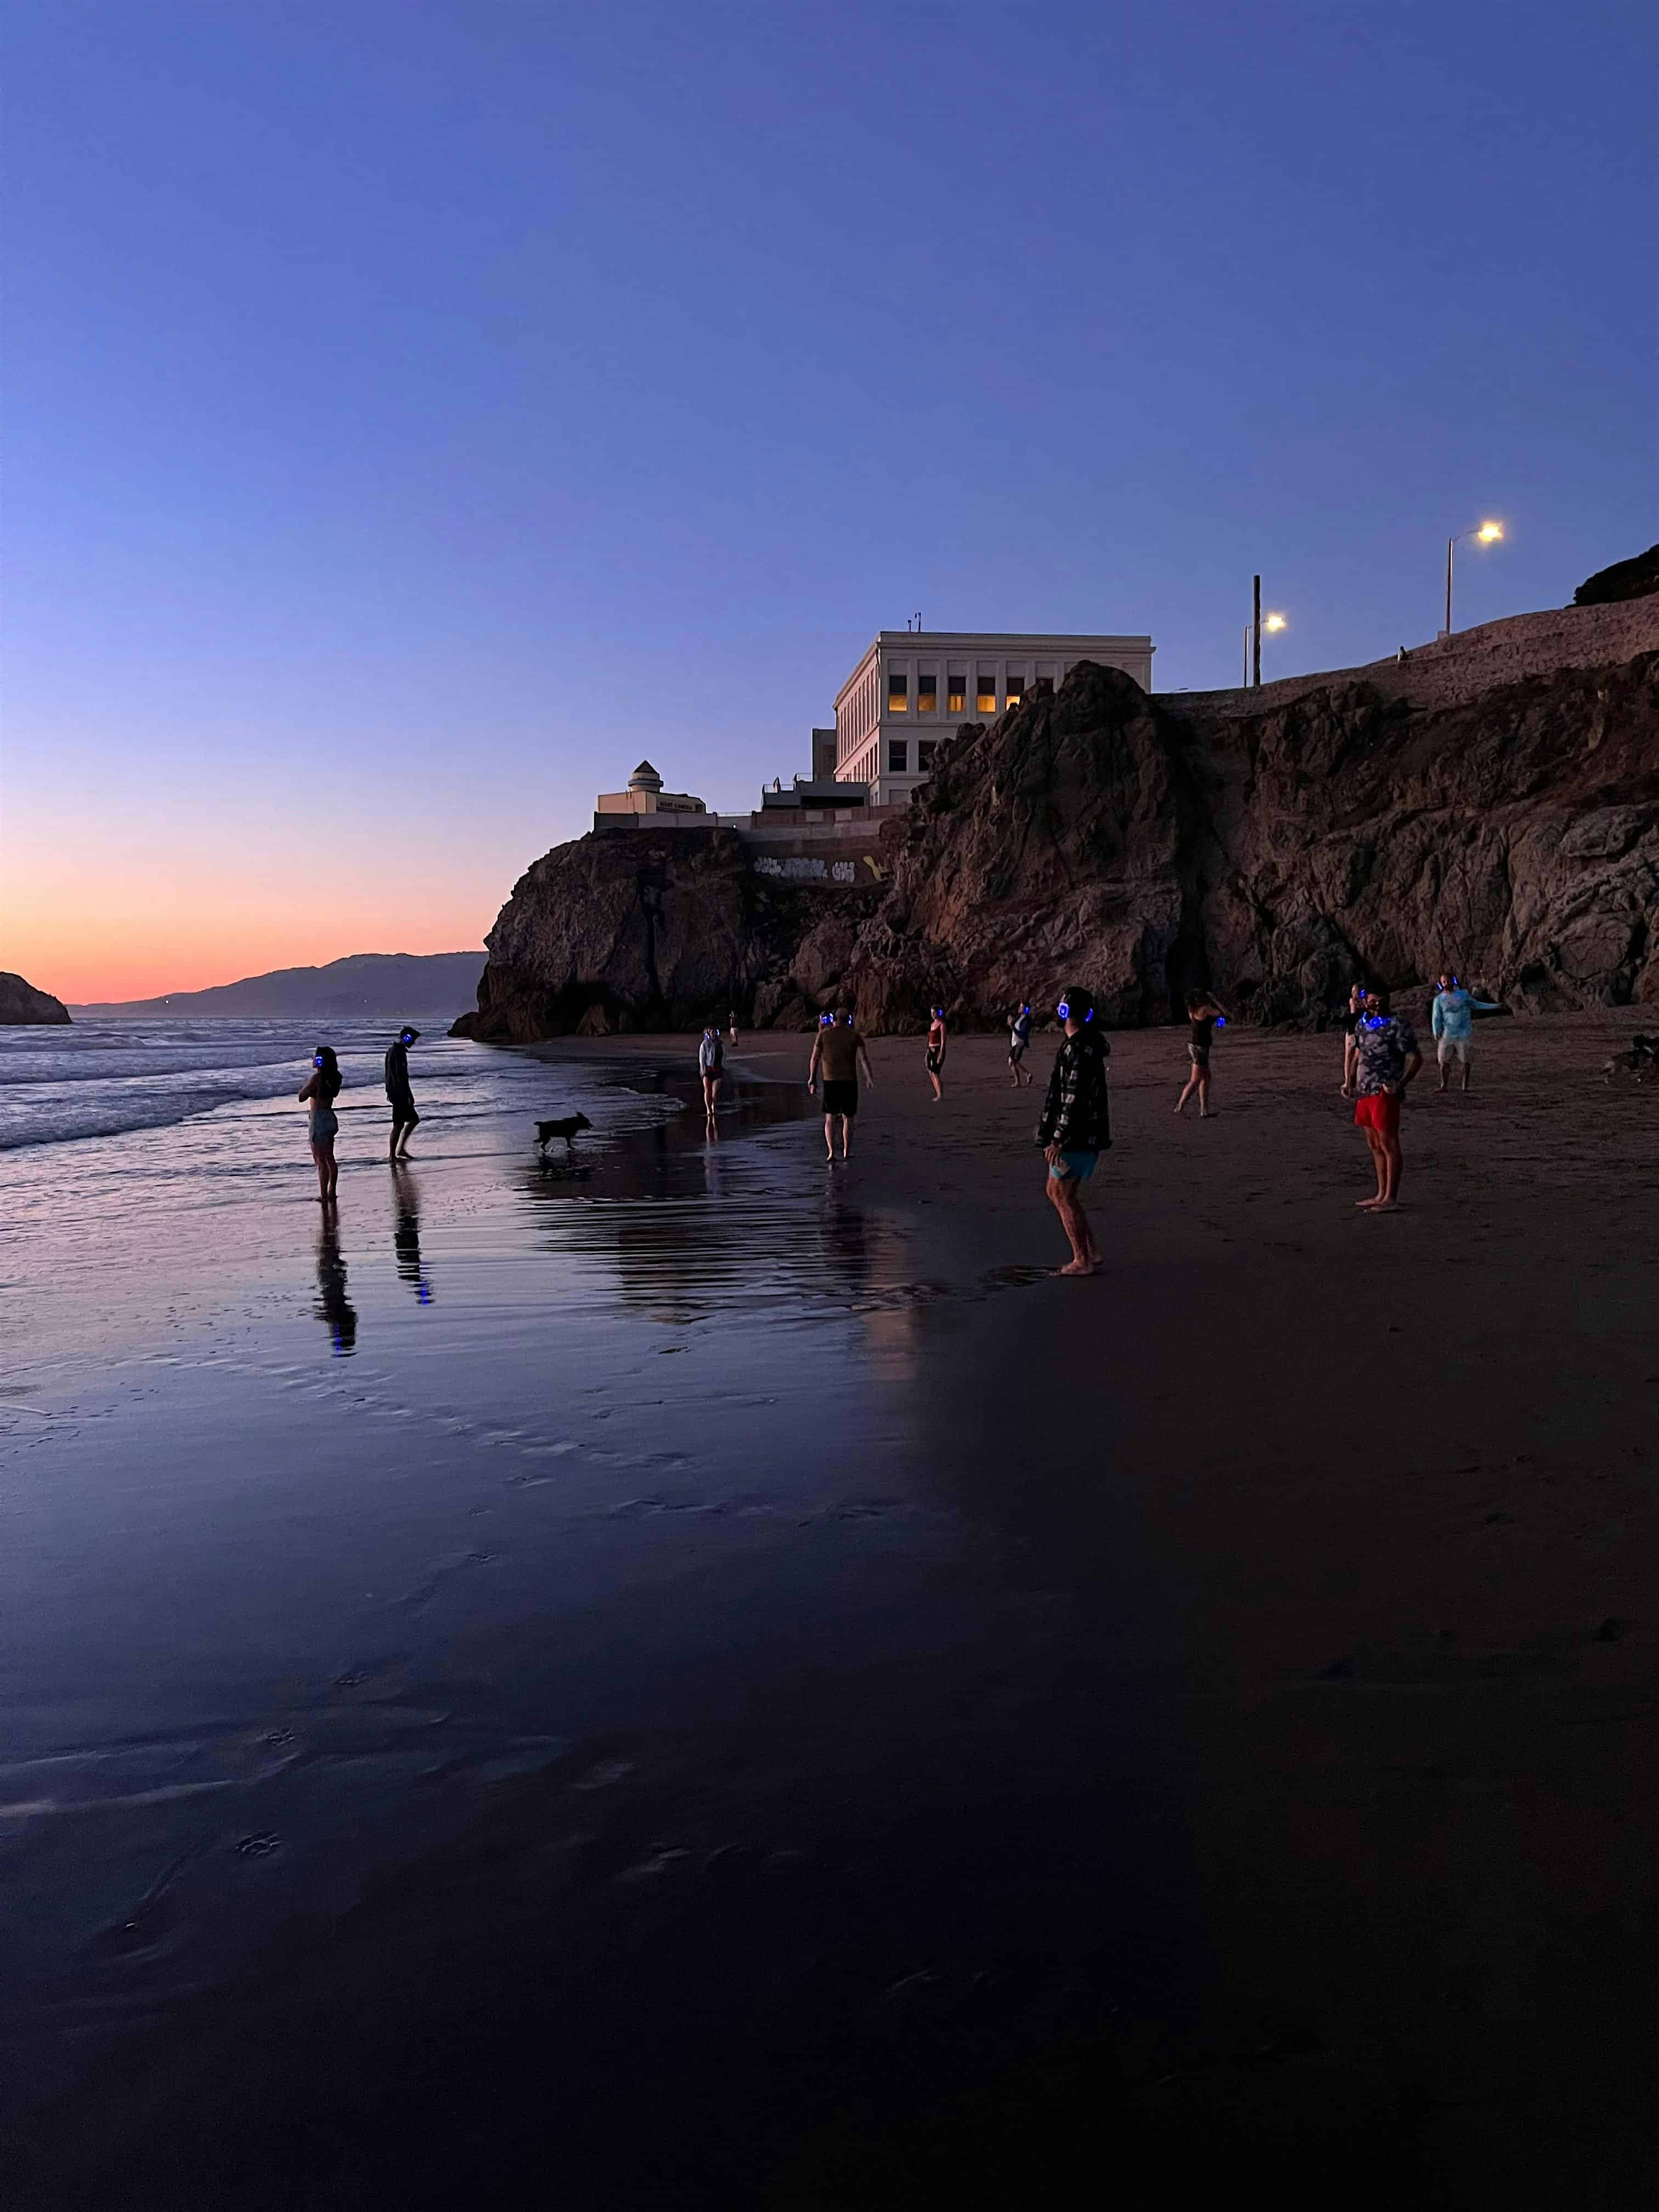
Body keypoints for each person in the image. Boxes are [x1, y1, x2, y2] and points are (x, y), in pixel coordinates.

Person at [1036, 987, 1111, 1276]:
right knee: (1064, 1192)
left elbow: (1072, 1097)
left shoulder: (1077, 1049)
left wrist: (1057, 1138)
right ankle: (1091, 1251)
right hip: (1088, 1133)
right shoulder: (1089, 1044)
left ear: (1065, 1012)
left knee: (1060, 1191)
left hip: (1078, 1135)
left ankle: (1083, 1260)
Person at [1342, 989, 1422, 1211]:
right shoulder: (1363, 1025)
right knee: (1375, 1144)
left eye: (1380, 1001)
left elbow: (1417, 1057)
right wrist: (1348, 1081)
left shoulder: (1397, 1025)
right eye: (1372, 1002)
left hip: (1384, 1092)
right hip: (1365, 1092)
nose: (1376, 1005)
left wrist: (1401, 1084)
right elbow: (1357, 1054)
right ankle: (1381, 1194)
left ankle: (1391, 1198)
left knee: (1388, 1143)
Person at [808, 1006, 874, 1163]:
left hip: (830, 1081)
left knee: (830, 1118)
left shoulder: (823, 1035)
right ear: (849, 1020)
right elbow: (864, 1059)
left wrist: (812, 1079)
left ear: (835, 1020)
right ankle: (847, 1151)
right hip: (849, 1081)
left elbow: (815, 1058)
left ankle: (831, 1152)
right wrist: (869, 1077)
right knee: (848, 1118)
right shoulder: (855, 1036)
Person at [1430, 970, 1499, 1092]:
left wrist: (1495, 1007)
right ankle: (1444, 1085)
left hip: (1463, 1033)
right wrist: (1437, 1031)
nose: (1447, 983)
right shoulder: (1439, 999)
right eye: (1444, 982)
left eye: (1449, 981)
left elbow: (1475, 1004)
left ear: (1454, 981)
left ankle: (1465, 1086)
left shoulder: (1463, 995)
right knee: (1444, 1060)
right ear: (1441, 984)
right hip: (1448, 1033)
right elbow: (1436, 1016)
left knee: (1466, 1060)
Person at [297, 1045, 343, 1205]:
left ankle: (324, 1194)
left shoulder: (317, 1078)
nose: (313, 1059)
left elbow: (301, 1097)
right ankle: (332, 1191)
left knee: (320, 1160)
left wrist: (308, 1086)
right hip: (330, 1116)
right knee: (330, 1158)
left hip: (319, 1119)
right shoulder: (334, 1077)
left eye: (316, 1057)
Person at [1173, 989, 1230, 1118]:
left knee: (1205, 1078)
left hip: (1194, 1045)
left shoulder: (1192, 1010)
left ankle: (1203, 1110)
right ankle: (1180, 1107)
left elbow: (1220, 1020)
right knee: (1195, 1080)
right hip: (1201, 1047)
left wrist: (1219, 1021)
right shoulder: (1206, 1009)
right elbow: (1225, 1014)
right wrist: (1215, 1000)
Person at [385, 1026, 420, 1160]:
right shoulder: (398, 1053)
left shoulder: (393, 1051)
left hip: (395, 1092)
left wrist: (389, 1090)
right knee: (402, 1123)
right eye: (412, 1039)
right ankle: (394, 1153)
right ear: (406, 1037)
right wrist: (408, 1095)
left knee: (402, 1123)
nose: (413, 1043)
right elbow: (400, 1077)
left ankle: (397, 1152)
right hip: (399, 1093)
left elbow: (389, 1075)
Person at [698, 1024, 725, 1126]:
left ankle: (714, 1106)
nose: (713, 1033)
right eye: (711, 1032)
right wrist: (703, 1070)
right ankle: (709, 1109)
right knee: (707, 1090)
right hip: (707, 1071)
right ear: (708, 1034)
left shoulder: (721, 1044)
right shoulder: (704, 1045)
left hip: (718, 1071)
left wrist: (724, 1067)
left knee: (714, 1092)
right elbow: (702, 1059)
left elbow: (724, 1056)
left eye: (715, 1031)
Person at [924, 1005, 948, 1102]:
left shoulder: (942, 1025)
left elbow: (943, 1041)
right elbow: (930, 1039)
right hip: (930, 1049)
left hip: (938, 1050)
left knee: (935, 1072)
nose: (933, 1015)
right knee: (930, 1072)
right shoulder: (932, 1024)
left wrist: (941, 1054)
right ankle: (938, 1092)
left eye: (935, 1013)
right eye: (932, 1013)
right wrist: (927, 1052)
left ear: (939, 1012)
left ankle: (940, 1095)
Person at [1007, 1003, 1034, 1087]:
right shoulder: (1020, 1017)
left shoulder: (1027, 1020)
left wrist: (1012, 1026)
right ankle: (1022, 1078)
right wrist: (1010, 1022)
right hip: (1015, 1042)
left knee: (1012, 1061)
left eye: (1021, 1007)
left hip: (1020, 1043)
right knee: (1013, 1061)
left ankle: (1024, 1076)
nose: (1019, 1008)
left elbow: (1022, 1034)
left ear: (1026, 1009)